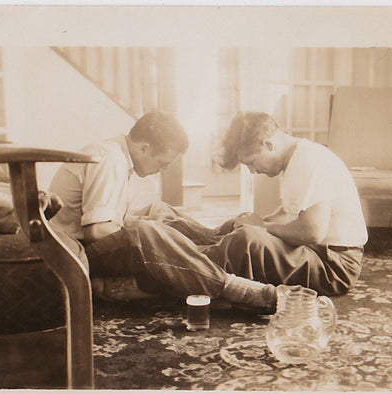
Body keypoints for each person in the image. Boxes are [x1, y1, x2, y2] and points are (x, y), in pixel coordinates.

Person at [49, 111, 291, 313]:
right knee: (147, 231)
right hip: (75, 253)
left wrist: (156, 225)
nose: (163, 169)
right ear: (144, 148)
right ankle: (240, 288)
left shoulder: (116, 155)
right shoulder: (110, 160)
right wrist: (152, 231)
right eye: (163, 162)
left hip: (87, 243)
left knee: (158, 210)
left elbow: (111, 220)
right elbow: (97, 231)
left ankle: (214, 241)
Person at [202, 111, 368, 296]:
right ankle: (194, 258)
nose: (252, 171)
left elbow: (313, 232)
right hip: (318, 252)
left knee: (246, 239)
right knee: (238, 225)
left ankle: (192, 272)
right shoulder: (296, 158)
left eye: (251, 162)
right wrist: (255, 222)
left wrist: (262, 226)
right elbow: (289, 214)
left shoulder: (309, 160)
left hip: (335, 266)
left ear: (268, 144)